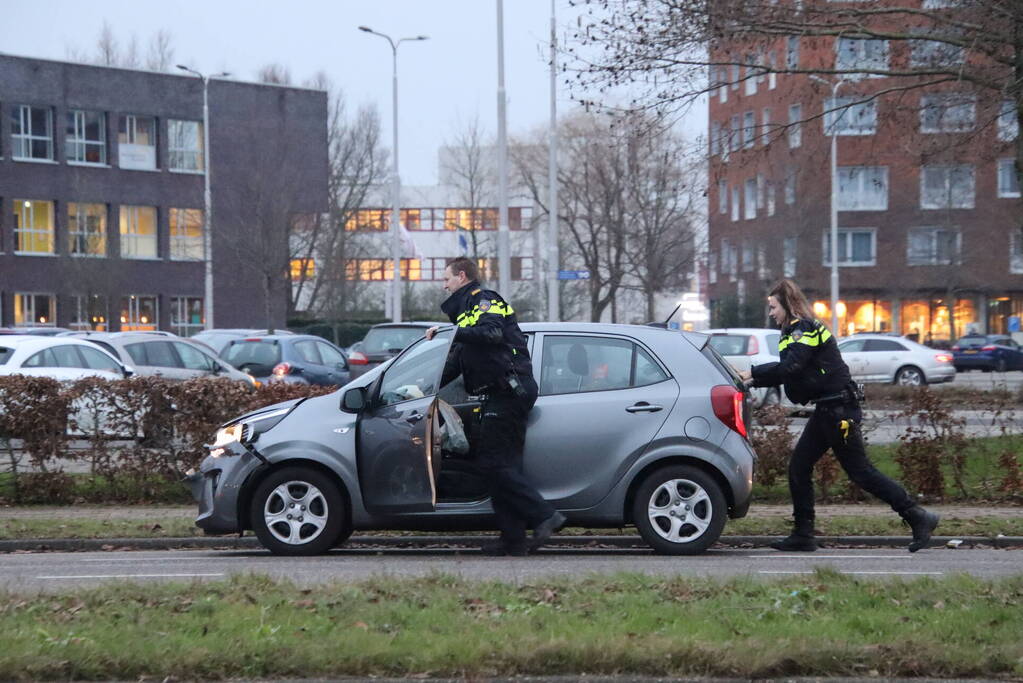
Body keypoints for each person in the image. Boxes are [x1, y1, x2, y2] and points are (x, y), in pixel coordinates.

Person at [738, 279, 939, 552]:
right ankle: (803, 534)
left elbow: (793, 366)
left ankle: (917, 515)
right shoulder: (795, 331)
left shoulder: (803, 330)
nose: (771, 313)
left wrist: (754, 373)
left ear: (787, 304)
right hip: (828, 409)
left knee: (861, 472)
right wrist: (753, 380)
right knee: (799, 467)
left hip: (838, 411)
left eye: (773, 307)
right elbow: (798, 373)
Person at [425, 258, 565, 556]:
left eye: (447, 278)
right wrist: (425, 387)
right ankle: (513, 540)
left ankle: (544, 514)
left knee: (492, 464)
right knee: (502, 468)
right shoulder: (465, 314)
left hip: (509, 391)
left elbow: (492, 334)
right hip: (498, 393)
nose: (443, 284)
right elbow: (458, 361)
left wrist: (447, 333)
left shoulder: (486, 301)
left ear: (462, 276)